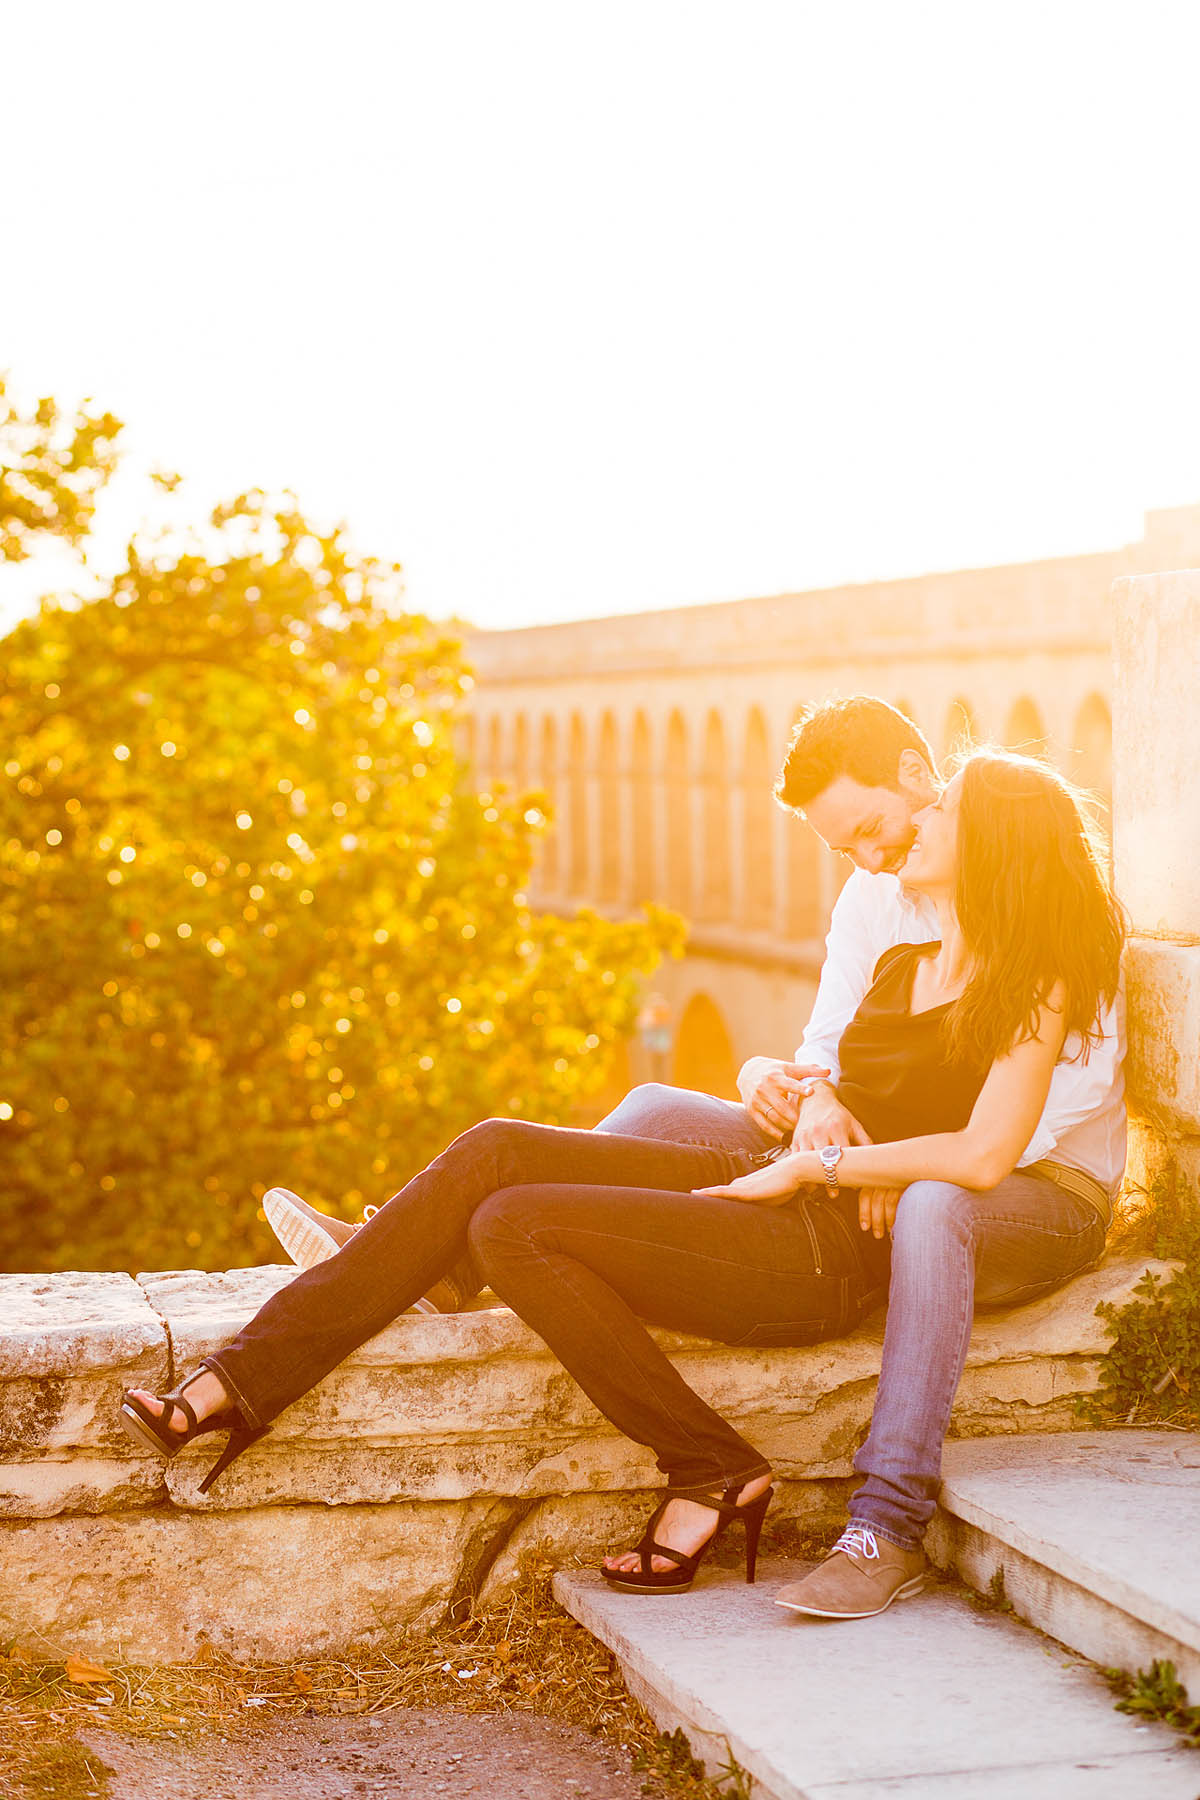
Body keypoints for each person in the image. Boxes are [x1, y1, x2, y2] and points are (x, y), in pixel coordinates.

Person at [119, 738, 1124, 1618]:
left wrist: (835, 1166)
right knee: (497, 1160)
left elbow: (983, 1155)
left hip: (820, 1246)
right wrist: (807, 1112)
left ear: (995, 843)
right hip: (783, 1186)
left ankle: (805, 1496)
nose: (918, 821)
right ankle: (242, 1383)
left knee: (510, 1224)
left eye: (945, 807)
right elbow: (829, 1073)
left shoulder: (1027, 981)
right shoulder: (903, 955)